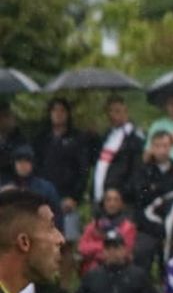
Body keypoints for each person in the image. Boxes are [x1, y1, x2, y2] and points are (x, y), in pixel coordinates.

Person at [33, 97, 92, 245]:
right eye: (55, 110)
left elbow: (83, 170)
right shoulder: (41, 139)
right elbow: (35, 169)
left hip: (67, 199)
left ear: (68, 113)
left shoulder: (78, 139)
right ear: (49, 113)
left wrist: (75, 197)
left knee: (66, 243)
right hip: (44, 198)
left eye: (62, 110)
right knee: (43, 243)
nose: (58, 114)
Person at [130, 130, 173, 270]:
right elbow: (139, 195)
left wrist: (155, 188)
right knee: (141, 254)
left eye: (165, 145)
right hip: (146, 226)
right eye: (157, 146)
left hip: (172, 226)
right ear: (151, 148)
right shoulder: (142, 170)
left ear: (171, 147)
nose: (162, 150)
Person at [92, 95, 143, 211]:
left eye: (118, 111)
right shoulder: (106, 136)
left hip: (119, 200)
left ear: (126, 112)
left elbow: (136, 171)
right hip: (100, 198)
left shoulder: (134, 138)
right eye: (111, 111)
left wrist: (123, 193)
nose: (114, 115)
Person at [76, 186, 137, 274]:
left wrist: (94, 249)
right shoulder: (93, 225)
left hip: (119, 272)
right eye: (108, 200)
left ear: (121, 204)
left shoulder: (128, 227)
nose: (112, 204)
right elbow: (82, 248)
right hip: (92, 271)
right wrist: (106, 246)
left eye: (116, 200)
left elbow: (123, 253)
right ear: (103, 203)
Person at [2, 146, 63, 231]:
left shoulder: (46, 188)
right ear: (14, 164)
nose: (23, 165)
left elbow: (57, 216)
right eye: (19, 161)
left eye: (27, 161)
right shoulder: (6, 189)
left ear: (32, 164)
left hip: (40, 232)